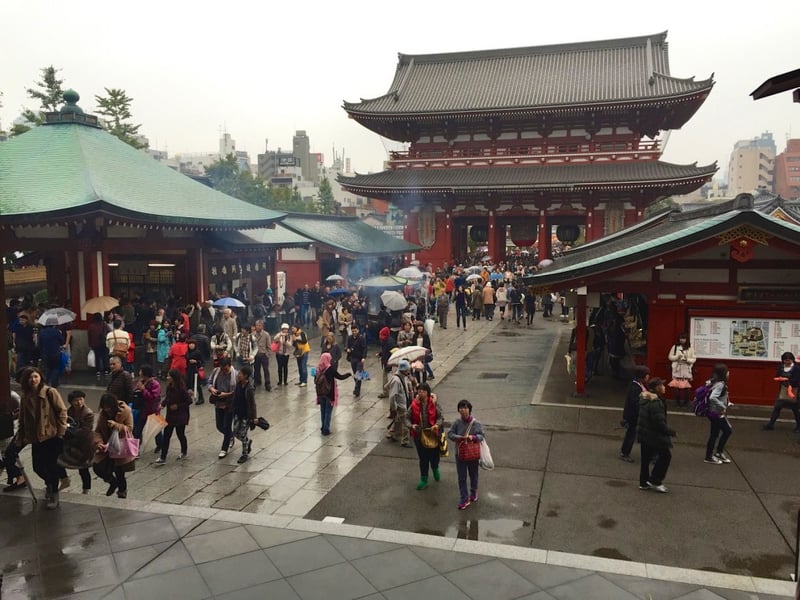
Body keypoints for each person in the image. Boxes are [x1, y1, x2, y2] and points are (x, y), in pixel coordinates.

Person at [13, 366, 68, 509]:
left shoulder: (50, 392)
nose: (33, 380)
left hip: (51, 435)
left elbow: (62, 411)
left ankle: (54, 493)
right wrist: (21, 436)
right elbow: (22, 419)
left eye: (36, 376)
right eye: (30, 377)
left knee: (51, 466)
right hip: (35, 437)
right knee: (37, 467)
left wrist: (60, 432)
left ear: (40, 377)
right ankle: (50, 484)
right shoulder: (25, 397)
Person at [637, 377, 676, 493]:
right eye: (662, 385)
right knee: (665, 456)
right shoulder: (656, 403)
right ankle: (655, 480)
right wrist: (670, 432)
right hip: (654, 436)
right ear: (657, 388)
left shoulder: (645, 398)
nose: (664, 387)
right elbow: (659, 423)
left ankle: (643, 482)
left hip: (644, 433)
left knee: (645, 460)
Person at [94, 393, 135, 499]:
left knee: (119, 470)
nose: (107, 409)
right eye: (104, 407)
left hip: (119, 445)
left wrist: (116, 425)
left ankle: (122, 492)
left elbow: (129, 428)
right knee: (97, 467)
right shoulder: (103, 414)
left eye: (108, 407)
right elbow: (98, 430)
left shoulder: (125, 411)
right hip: (107, 445)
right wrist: (99, 443)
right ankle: (112, 482)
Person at [447, 399, 485, 510]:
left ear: (469, 410)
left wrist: (472, 438)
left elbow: (481, 435)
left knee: (474, 475)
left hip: (472, 454)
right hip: (460, 454)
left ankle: (474, 492)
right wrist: (459, 438)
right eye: (461, 408)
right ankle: (464, 498)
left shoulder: (476, 423)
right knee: (461, 477)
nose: (463, 410)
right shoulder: (457, 423)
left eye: (465, 408)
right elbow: (450, 433)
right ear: (458, 410)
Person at [406, 382, 444, 490]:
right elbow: (406, 418)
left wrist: (437, 425)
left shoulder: (434, 403)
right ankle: (424, 478)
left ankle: (435, 467)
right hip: (419, 436)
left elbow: (440, 417)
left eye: (423, 391)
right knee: (423, 458)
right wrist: (411, 425)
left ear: (428, 393)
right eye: (419, 391)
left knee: (434, 455)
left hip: (433, 434)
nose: (421, 393)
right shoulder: (413, 405)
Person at [155, 369, 191, 465]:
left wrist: (177, 406)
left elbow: (188, 401)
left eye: (169, 376)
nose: (167, 377)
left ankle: (184, 451)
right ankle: (163, 457)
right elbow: (167, 398)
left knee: (180, 434)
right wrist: (162, 404)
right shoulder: (169, 387)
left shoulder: (182, 389)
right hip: (170, 415)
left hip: (180, 415)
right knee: (167, 435)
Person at [315, 353, 352, 436]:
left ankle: (323, 427)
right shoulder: (330, 369)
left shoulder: (318, 368)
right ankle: (326, 429)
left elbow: (316, 380)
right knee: (328, 411)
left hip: (320, 393)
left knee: (323, 411)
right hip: (329, 393)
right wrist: (348, 374)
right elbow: (340, 377)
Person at [619, 365, 650, 462]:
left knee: (634, 434)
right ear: (643, 376)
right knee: (631, 434)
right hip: (633, 416)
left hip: (637, 416)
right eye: (647, 375)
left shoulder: (639, 385)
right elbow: (635, 403)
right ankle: (625, 453)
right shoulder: (635, 388)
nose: (648, 377)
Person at [208, 357, 237, 458]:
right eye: (222, 369)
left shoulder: (236, 375)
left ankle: (224, 449)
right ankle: (230, 436)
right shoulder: (216, 372)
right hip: (218, 402)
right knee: (219, 425)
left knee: (227, 426)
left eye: (225, 369)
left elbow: (237, 392)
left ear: (230, 366)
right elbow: (209, 382)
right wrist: (211, 389)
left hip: (230, 404)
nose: (224, 371)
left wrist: (226, 394)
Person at [66, 390, 95, 493]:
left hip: (84, 444)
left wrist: (70, 429)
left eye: (81, 399)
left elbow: (85, 430)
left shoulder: (88, 413)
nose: (79, 402)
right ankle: (64, 480)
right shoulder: (69, 411)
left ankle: (86, 489)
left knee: (83, 468)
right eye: (76, 400)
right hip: (72, 443)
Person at [763, 352, 800, 432]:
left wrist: (787, 380)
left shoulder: (796, 368)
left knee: (795, 409)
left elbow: (797, 379)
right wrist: (779, 378)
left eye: (789, 360)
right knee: (777, 407)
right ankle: (771, 424)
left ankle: (798, 426)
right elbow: (777, 375)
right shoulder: (781, 367)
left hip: (793, 391)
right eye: (785, 360)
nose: (787, 362)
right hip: (783, 390)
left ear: (792, 360)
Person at [705, 363, 733, 464]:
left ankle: (711, 454)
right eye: (727, 371)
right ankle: (716, 453)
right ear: (723, 374)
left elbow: (721, 396)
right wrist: (723, 406)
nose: (729, 373)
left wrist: (727, 402)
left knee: (714, 434)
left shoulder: (713, 382)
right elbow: (713, 397)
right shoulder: (720, 384)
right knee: (727, 431)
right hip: (717, 413)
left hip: (712, 412)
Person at [232, 365, 257, 463]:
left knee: (242, 434)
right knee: (235, 432)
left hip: (246, 415)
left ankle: (244, 454)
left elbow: (252, 403)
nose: (238, 375)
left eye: (240, 374)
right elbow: (235, 396)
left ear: (246, 376)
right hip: (238, 413)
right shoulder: (238, 384)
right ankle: (247, 441)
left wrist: (254, 417)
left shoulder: (249, 388)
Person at [387, 359, 414, 446]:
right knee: (405, 423)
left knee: (398, 420)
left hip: (403, 402)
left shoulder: (404, 377)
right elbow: (392, 396)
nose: (409, 371)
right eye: (408, 370)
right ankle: (405, 441)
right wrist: (393, 408)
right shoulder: (396, 381)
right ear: (404, 370)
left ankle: (392, 434)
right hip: (400, 405)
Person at [667, 333, 696, 407]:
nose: (682, 340)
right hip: (677, 368)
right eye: (680, 338)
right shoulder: (675, 347)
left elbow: (694, 359)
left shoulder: (690, 348)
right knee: (676, 386)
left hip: (686, 367)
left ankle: (686, 402)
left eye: (683, 338)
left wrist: (687, 359)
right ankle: (677, 402)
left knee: (687, 386)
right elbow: (670, 357)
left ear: (687, 339)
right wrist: (677, 357)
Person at [37, 317, 65, 389]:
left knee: (48, 368)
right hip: (55, 353)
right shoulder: (56, 331)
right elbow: (62, 341)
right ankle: (54, 383)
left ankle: (46, 382)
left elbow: (39, 344)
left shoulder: (42, 332)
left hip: (45, 353)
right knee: (55, 368)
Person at [345, 323, 367, 397]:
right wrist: (347, 349)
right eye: (353, 331)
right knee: (355, 374)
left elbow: (365, 348)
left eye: (355, 331)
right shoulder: (349, 338)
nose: (354, 332)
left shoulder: (361, 338)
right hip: (352, 358)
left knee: (358, 374)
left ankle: (356, 390)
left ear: (358, 330)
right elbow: (347, 346)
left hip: (360, 358)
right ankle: (358, 386)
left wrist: (364, 357)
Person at [252, 320, 272, 392]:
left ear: (262, 326)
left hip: (263, 354)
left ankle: (267, 383)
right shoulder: (252, 334)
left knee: (266, 370)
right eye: (256, 325)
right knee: (256, 369)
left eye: (259, 325)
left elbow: (269, 346)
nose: (258, 327)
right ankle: (257, 381)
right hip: (256, 355)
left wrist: (268, 354)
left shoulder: (266, 334)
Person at [377, 327, 396, 398]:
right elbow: (385, 351)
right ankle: (386, 391)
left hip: (389, 363)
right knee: (386, 377)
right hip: (386, 362)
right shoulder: (385, 341)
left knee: (388, 378)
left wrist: (390, 362)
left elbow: (393, 352)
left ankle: (387, 392)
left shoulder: (390, 342)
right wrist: (380, 354)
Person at [186, 338, 205, 405]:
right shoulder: (187, 352)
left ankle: (201, 398)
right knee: (189, 383)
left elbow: (202, 362)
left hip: (196, 370)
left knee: (197, 385)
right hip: (189, 370)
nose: (191, 345)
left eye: (192, 344)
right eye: (190, 344)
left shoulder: (198, 352)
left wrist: (196, 362)